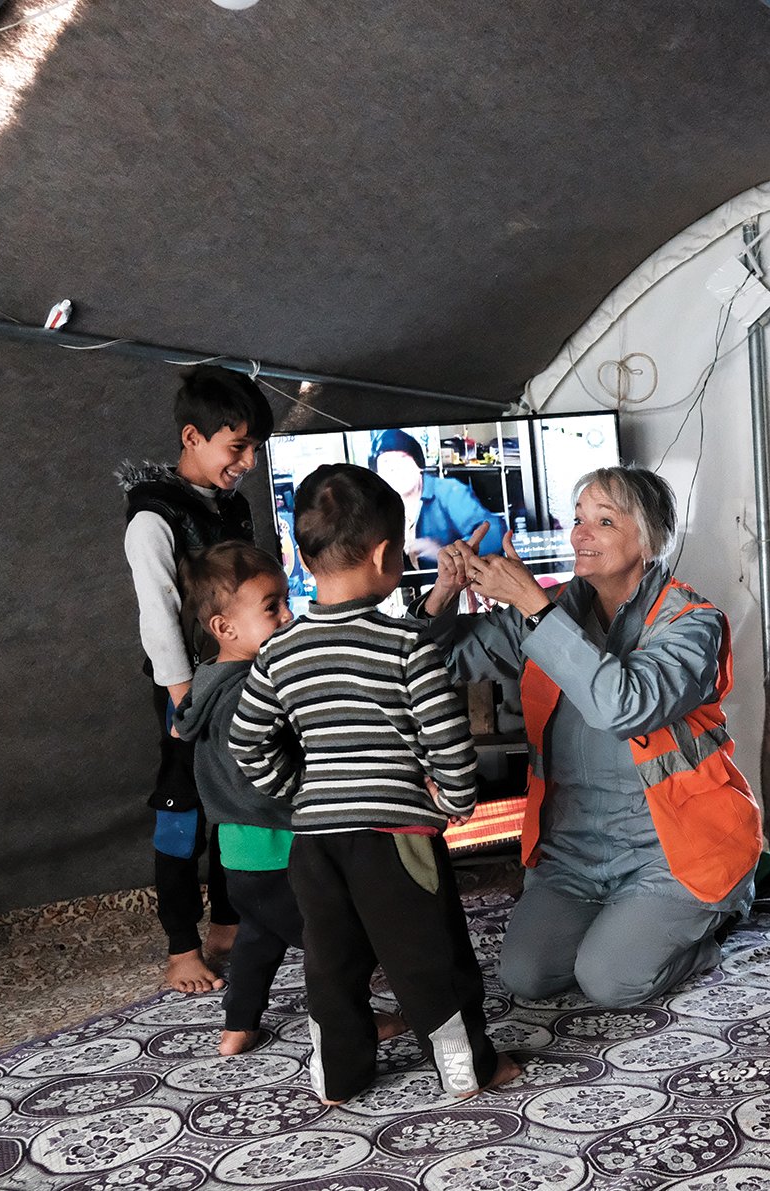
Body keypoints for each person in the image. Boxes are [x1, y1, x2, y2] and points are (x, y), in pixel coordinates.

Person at [420, 466, 763, 1007]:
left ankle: (711, 927)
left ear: (649, 536)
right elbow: (434, 662)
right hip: (572, 852)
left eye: (603, 521)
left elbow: (624, 706)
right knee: (526, 977)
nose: (580, 534)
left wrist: (533, 605)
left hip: (671, 851)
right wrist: (443, 593)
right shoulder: (550, 609)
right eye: (578, 519)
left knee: (610, 982)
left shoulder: (694, 622)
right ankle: (625, 925)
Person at [229, 464, 517, 1104]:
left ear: (301, 558)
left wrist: (298, 788)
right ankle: (469, 1069)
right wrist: (456, 801)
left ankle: (338, 1076)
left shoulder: (280, 652)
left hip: (316, 841)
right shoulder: (407, 643)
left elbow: (246, 741)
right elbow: (448, 741)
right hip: (397, 839)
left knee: (332, 966)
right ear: (388, 555)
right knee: (429, 958)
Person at [176, 542, 407, 1057]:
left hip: (239, 852)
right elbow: (258, 773)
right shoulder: (248, 691)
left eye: (286, 601)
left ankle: (239, 1026)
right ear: (225, 628)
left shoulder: (208, 685)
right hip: (279, 844)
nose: (288, 615)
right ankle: (354, 1022)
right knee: (337, 939)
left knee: (260, 936)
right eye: (272, 607)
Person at [118, 365, 274, 994]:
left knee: (240, 801)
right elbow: (158, 621)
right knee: (185, 809)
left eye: (254, 449)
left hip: (243, 678)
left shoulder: (230, 509)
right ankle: (183, 946)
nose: (249, 463)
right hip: (186, 689)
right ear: (192, 436)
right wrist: (186, 705)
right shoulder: (151, 520)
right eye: (237, 447)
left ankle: (230, 924)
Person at [369, 428, 506, 567]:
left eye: (402, 459)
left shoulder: (448, 491)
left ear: (419, 465)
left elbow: (494, 532)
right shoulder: (375, 504)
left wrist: (448, 554)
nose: (395, 469)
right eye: (386, 462)